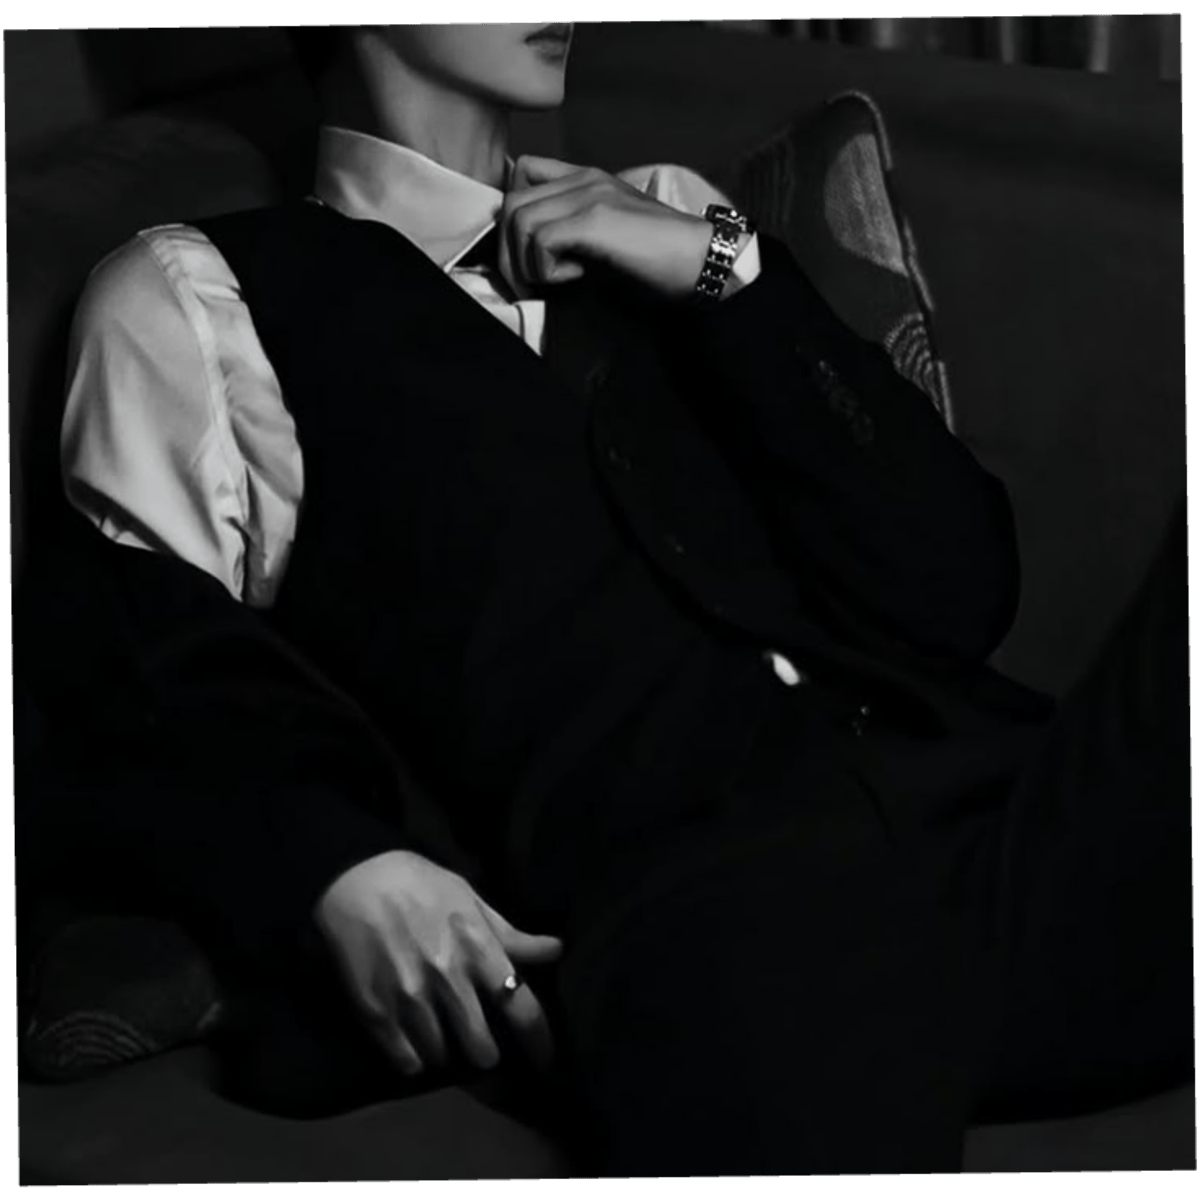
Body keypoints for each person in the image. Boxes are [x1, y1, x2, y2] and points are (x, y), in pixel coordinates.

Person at [20, 21, 1191, 1176]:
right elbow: (136, 663)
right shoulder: (199, 295)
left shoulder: (675, 221)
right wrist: (337, 865)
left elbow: (956, 590)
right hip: (722, 918)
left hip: (1018, 835)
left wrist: (729, 277)